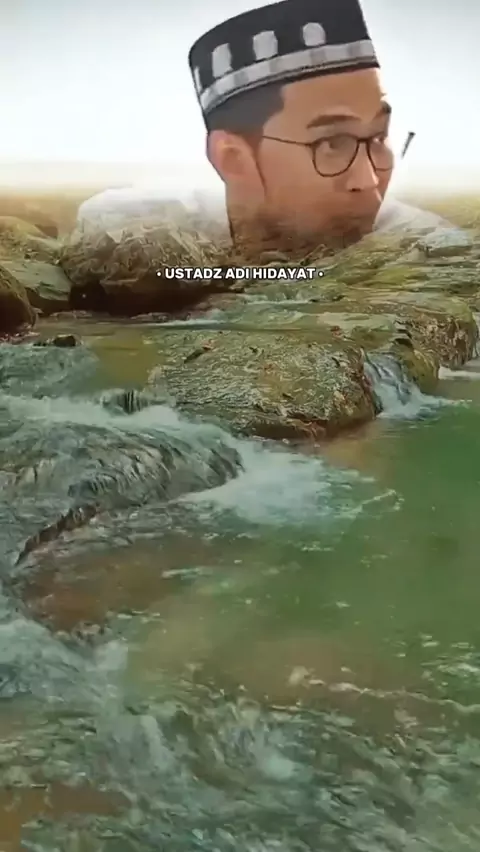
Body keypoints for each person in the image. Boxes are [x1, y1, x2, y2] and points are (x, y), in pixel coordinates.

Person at [76, 0, 463, 256]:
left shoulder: (427, 247)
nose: (369, 180)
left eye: (379, 137)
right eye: (333, 143)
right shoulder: (133, 231)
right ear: (233, 159)